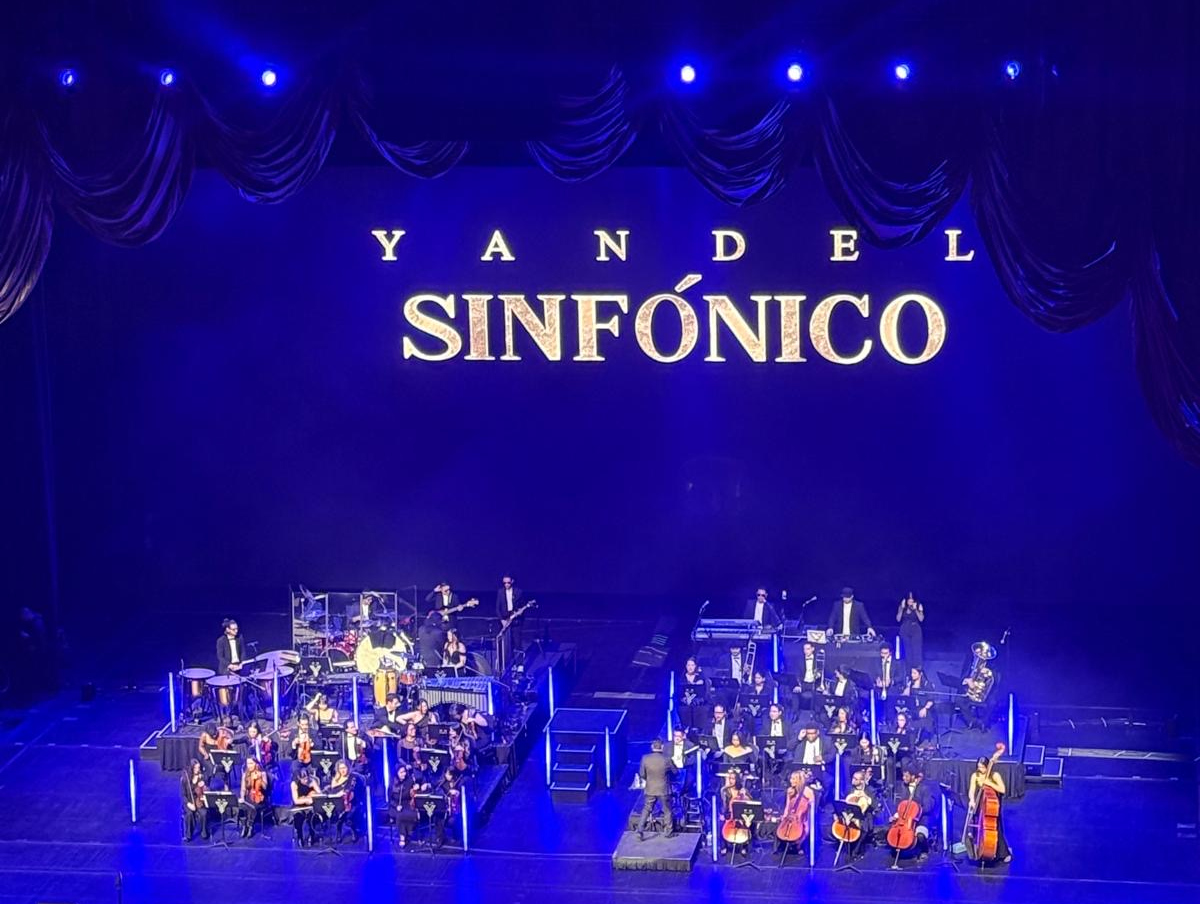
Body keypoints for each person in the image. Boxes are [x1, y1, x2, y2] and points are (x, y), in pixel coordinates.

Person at [892, 760, 940, 862]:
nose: (903, 778)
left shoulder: (924, 788)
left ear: (913, 777)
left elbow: (928, 807)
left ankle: (924, 851)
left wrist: (915, 809)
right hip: (905, 819)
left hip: (922, 818)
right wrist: (896, 814)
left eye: (906, 776)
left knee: (920, 835)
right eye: (903, 776)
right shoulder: (902, 787)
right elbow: (899, 804)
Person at [966, 757, 1012, 863]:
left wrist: (988, 783)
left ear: (987, 767)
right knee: (979, 828)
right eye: (979, 767)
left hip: (992, 806)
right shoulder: (975, 775)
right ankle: (981, 850)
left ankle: (1004, 853)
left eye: (982, 767)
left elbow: (1002, 789)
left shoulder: (995, 775)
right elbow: (971, 790)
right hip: (980, 805)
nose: (980, 769)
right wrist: (972, 800)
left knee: (996, 830)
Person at [636, 737, 676, 840]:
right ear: (662, 747)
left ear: (652, 747)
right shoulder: (666, 759)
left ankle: (640, 830)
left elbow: (641, 774)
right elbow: (675, 772)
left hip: (650, 788)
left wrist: (649, 779)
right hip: (664, 789)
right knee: (667, 810)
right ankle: (669, 831)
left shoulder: (645, 758)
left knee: (647, 809)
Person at [388, 762, 423, 849]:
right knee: (400, 814)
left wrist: (418, 786)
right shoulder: (392, 783)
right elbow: (390, 799)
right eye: (401, 772)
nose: (403, 774)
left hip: (408, 803)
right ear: (396, 773)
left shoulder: (410, 780)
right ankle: (403, 836)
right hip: (395, 805)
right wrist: (396, 806)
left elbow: (420, 779)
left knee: (410, 813)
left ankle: (407, 832)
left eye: (404, 772)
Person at [327, 759, 361, 843]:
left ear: (348, 768)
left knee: (349, 818)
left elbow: (353, 791)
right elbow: (332, 792)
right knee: (339, 819)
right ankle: (338, 834)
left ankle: (354, 832)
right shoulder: (335, 779)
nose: (342, 770)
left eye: (344, 768)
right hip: (338, 803)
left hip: (351, 803)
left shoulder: (352, 777)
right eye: (340, 768)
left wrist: (345, 793)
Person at [238, 756, 269, 837]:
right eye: (248, 763)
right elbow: (243, 789)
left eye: (251, 763)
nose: (249, 765)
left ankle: (250, 827)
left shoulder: (262, 773)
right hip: (249, 796)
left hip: (260, 797)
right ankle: (244, 826)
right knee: (241, 805)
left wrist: (260, 779)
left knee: (252, 806)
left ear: (256, 764)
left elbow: (265, 787)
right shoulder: (245, 774)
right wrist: (242, 797)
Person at [290, 766, 321, 847]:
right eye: (303, 779)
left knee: (311, 817)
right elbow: (296, 800)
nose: (306, 781)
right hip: (298, 806)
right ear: (299, 778)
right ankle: (300, 837)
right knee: (298, 817)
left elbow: (320, 795)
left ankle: (312, 835)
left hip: (310, 806)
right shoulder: (294, 784)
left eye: (307, 778)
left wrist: (313, 795)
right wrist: (307, 798)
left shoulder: (312, 781)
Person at [181, 758, 209, 841]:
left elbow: (206, 789)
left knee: (204, 813)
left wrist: (204, 783)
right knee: (189, 814)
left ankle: (204, 832)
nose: (197, 770)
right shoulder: (185, 778)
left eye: (199, 768)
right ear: (192, 768)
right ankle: (188, 835)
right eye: (195, 768)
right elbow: (183, 795)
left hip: (198, 800)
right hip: (189, 801)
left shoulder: (202, 776)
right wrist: (188, 804)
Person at [677, 657, 707, 729]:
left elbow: (703, 694)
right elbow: (678, 693)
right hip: (684, 704)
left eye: (692, 665)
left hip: (697, 704)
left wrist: (693, 700)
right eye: (688, 665)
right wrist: (685, 699)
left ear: (695, 666)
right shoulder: (681, 678)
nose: (690, 667)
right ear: (686, 666)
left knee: (699, 710)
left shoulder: (700, 678)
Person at [896, 592, 925, 666]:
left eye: (912, 599)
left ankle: (917, 671)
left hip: (915, 630)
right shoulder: (902, 607)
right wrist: (902, 609)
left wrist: (916, 610)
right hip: (905, 629)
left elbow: (921, 619)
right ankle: (908, 672)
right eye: (909, 599)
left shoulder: (918, 606)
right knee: (907, 652)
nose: (910, 601)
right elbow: (898, 619)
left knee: (916, 651)